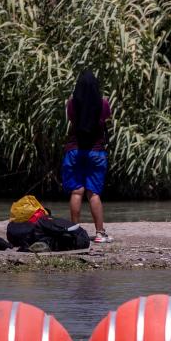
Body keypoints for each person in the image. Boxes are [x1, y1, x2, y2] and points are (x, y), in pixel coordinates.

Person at [62, 70, 113, 243]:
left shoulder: (71, 104)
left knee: (76, 192)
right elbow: (105, 120)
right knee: (94, 193)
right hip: (96, 152)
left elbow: (72, 120)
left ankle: (75, 233)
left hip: (74, 151)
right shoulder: (103, 104)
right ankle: (100, 233)